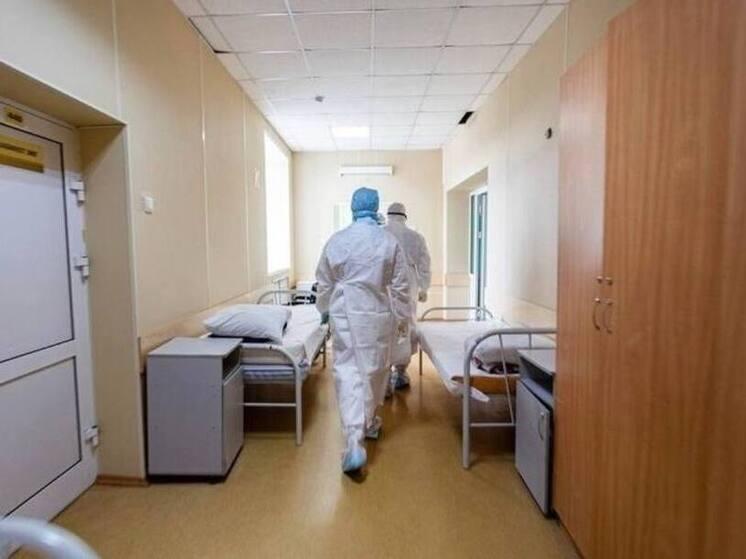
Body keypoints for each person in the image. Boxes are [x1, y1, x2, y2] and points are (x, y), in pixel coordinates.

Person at [316, 187, 412, 474]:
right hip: (377, 315)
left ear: (353, 208)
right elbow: (401, 286)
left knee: (348, 372)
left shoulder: (337, 240)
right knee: (375, 370)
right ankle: (365, 426)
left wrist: (324, 309)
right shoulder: (388, 241)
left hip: (345, 312)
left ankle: (355, 437)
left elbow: (324, 282)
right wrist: (402, 319)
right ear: (376, 207)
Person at [383, 202, 432, 390]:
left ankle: (385, 375)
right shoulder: (415, 237)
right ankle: (401, 372)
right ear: (404, 217)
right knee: (404, 325)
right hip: (408, 284)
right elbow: (424, 265)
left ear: (388, 215)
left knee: (385, 326)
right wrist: (423, 288)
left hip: (384, 283)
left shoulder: (380, 234)